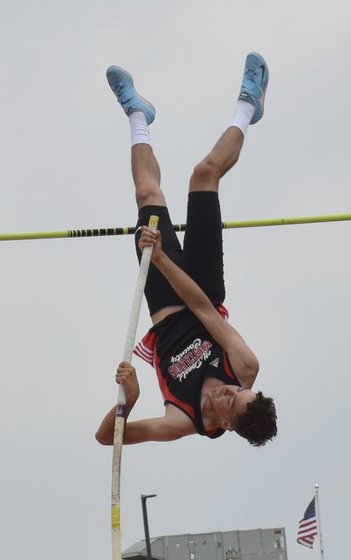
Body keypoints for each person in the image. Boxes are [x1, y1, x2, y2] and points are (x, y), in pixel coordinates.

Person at [95, 52, 277, 447]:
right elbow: (201, 308)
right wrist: (158, 257)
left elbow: (107, 437)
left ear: (227, 424)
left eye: (231, 399)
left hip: (163, 305)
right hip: (203, 289)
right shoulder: (244, 365)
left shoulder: (182, 418)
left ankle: (137, 115)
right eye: (240, 390)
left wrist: (133, 398)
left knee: (147, 194)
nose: (230, 389)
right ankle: (248, 105)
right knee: (203, 175)